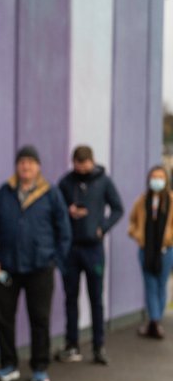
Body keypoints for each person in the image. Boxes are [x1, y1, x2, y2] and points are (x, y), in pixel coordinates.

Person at [0, 145, 71, 381]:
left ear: (38, 166)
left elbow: (64, 231)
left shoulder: (50, 194)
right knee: (3, 318)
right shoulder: (3, 193)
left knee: (39, 318)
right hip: (7, 268)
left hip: (40, 267)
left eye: (31, 162)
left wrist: (54, 260)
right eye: (22, 162)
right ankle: (8, 365)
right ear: (17, 166)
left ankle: (40, 367)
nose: (26, 166)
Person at [55, 145, 124, 365]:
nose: (82, 168)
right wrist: (69, 211)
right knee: (70, 298)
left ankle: (98, 345)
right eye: (78, 164)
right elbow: (56, 208)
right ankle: (72, 344)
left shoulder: (103, 181)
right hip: (71, 249)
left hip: (93, 248)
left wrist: (102, 227)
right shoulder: (66, 182)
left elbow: (117, 208)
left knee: (96, 298)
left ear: (92, 162)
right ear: (73, 162)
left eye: (85, 164)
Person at [128, 165, 173, 339]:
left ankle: (156, 320)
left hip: (166, 251)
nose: (157, 180)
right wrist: (138, 235)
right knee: (150, 286)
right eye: (154, 177)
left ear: (166, 180)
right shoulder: (142, 200)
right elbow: (132, 222)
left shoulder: (171, 200)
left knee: (161, 285)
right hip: (146, 250)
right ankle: (154, 321)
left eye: (160, 177)